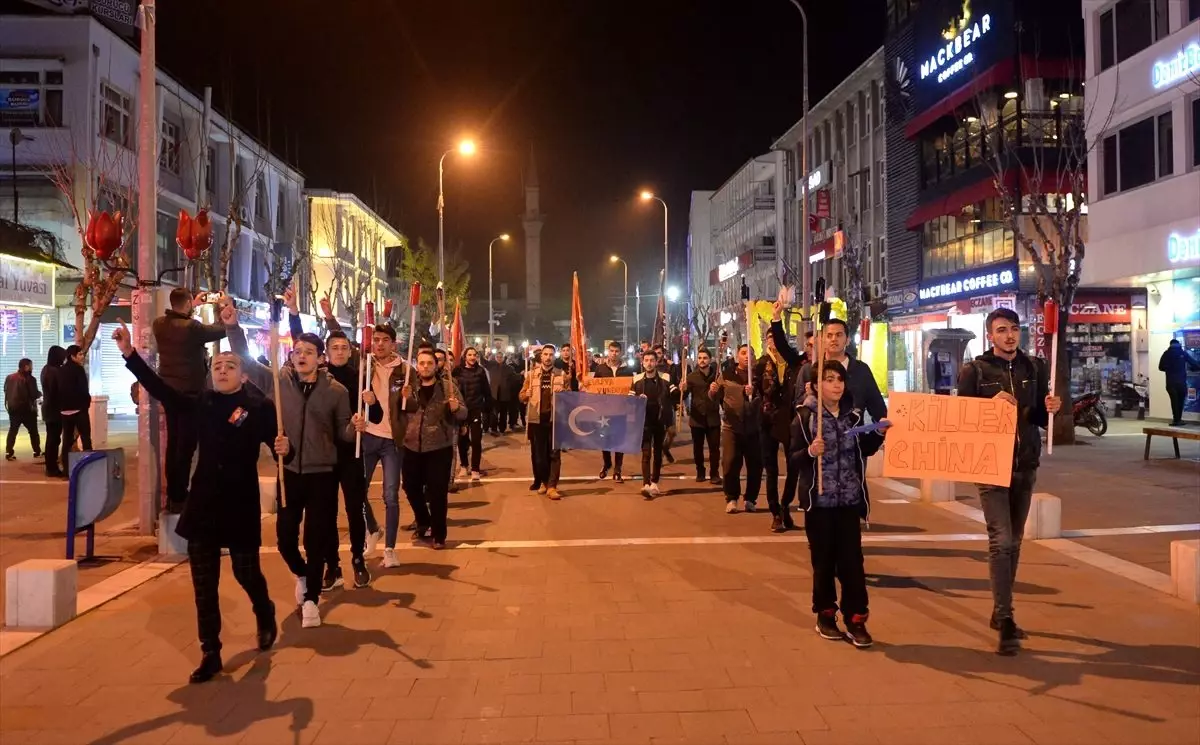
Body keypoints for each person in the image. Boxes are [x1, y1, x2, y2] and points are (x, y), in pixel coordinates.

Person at [113, 319, 278, 684]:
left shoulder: (258, 406)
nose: (222, 370)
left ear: (243, 375)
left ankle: (264, 612)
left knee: (246, 572)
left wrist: (286, 447)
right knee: (204, 583)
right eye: (217, 366)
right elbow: (160, 389)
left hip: (240, 502)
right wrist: (130, 354)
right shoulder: (201, 403)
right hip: (203, 504)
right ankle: (211, 651)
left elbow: (278, 446)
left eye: (230, 366)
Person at [223, 303, 361, 630]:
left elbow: (342, 432)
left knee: (316, 539)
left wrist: (354, 426)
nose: (301, 356)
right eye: (297, 351)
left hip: (323, 474)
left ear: (320, 358)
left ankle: (312, 597)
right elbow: (245, 360)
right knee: (285, 538)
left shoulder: (337, 392)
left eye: (309, 352)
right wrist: (232, 327)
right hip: (289, 473)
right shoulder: (277, 381)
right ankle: (301, 574)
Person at [958, 308, 1061, 656]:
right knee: (1001, 540)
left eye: (1014, 329)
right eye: (1001, 330)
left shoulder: (1034, 368)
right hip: (989, 467)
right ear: (990, 335)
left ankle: (1001, 609)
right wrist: (990, 404)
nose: (1009, 335)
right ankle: (1005, 617)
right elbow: (962, 418)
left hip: (1025, 463)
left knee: (1015, 542)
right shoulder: (975, 370)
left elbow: (1034, 416)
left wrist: (1051, 407)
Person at [790, 360, 887, 648]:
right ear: (816, 384)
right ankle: (826, 615)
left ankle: (856, 619)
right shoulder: (804, 417)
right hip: (818, 504)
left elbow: (864, 448)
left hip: (848, 502)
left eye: (839, 379)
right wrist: (809, 451)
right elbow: (794, 458)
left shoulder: (853, 417)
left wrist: (879, 435)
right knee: (823, 563)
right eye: (828, 379)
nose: (835, 384)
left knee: (852, 564)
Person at [153, 288, 229, 513]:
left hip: (168, 391)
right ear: (186, 303)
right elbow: (221, 331)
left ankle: (173, 495)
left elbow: (178, 317)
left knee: (174, 443)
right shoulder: (192, 328)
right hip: (190, 392)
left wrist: (192, 306)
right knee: (186, 447)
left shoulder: (159, 324)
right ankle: (179, 496)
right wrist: (222, 306)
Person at [393, 349, 468, 549]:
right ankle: (423, 520)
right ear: (417, 365)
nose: (425, 366)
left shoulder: (448, 387)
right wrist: (402, 397)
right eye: (422, 363)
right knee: (410, 486)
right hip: (411, 445)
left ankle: (439, 534)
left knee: (437, 491)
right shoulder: (409, 387)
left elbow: (463, 413)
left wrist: (455, 408)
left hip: (439, 446)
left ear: (436, 366)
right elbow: (397, 412)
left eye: (429, 363)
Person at [784, 318, 886, 424]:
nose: (834, 339)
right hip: (819, 436)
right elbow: (797, 407)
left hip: (853, 436)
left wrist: (881, 428)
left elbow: (878, 409)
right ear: (822, 340)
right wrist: (809, 395)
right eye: (829, 335)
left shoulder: (861, 370)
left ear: (847, 340)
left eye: (839, 335)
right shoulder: (810, 370)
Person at [756, 329, 801, 533]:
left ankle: (785, 505)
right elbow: (757, 390)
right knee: (771, 469)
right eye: (770, 338)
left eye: (776, 338)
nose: (773, 342)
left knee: (794, 466)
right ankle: (775, 512)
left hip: (789, 420)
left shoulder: (793, 363)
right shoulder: (759, 364)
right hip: (767, 421)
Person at [713, 344, 761, 514]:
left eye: (750, 353)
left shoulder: (759, 376)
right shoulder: (726, 375)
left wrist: (754, 392)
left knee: (755, 465)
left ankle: (750, 499)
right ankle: (732, 498)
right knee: (730, 462)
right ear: (736, 356)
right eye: (743, 353)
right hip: (731, 427)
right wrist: (712, 391)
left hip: (755, 427)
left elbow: (768, 394)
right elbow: (714, 396)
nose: (747, 356)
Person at [520, 344, 572, 499]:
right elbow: (521, 396)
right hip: (537, 420)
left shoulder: (561, 375)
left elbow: (571, 396)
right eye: (545, 354)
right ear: (541, 356)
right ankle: (543, 481)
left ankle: (552, 486)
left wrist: (563, 392)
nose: (548, 357)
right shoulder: (531, 375)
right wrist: (525, 394)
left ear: (554, 357)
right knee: (540, 456)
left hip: (555, 420)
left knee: (554, 454)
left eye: (551, 354)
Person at [632, 350, 675, 499]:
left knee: (657, 453)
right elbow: (630, 401)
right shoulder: (636, 379)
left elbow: (675, 396)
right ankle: (646, 483)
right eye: (646, 360)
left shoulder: (665, 378)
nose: (649, 363)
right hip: (644, 422)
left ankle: (655, 482)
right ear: (642, 362)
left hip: (660, 420)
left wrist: (682, 388)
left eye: (652, 360)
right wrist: (638, 399)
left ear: (656, 362)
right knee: (646, 453)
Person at [594, 341, 631, 482]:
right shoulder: (600, 369)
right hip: (605, 411)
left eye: (616, 351)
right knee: (605, 439)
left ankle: (618, 469)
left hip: (621, 410)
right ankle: (607, 463)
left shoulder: (627, 370)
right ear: (607, 352)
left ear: (620, 352)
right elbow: (595, 387)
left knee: (619, 440)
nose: (614, 354)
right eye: (611, 351)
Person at [453, 347, 492, 480]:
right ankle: (464, 465)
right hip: (462, 410)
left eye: (474, 355)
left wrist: (488, 408)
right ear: (464, 356)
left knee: (476, 440)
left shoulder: (480, 371)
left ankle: (475, 468)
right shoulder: (457, 371)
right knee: (462, 439)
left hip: (476, 409)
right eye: (469, 355)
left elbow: (486, 390)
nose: (472, 357)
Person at [684, 347, 721, 484]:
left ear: (710, 360)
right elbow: (684, 395)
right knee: (697, 448)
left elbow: (721, 396)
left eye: (705, 358)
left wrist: (716, 391)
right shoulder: (691, 377)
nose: (702, 360)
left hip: (713, 418)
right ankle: (700, 471)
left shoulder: (717, 376)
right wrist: (682, 389)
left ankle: (714, 473)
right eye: (700, 358)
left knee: (714, 448)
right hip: (697, 418)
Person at [57, 345, 92, 475]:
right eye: (80, 354)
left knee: (67, 440)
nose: (82, 356)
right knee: (86, 438)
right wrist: (86, 403)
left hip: (65, 411)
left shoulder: (61, 370)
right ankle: (89, 467)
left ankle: (66, 469)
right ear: (72, 356)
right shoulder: (79, 370)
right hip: (79, 410)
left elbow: (58, 390)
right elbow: (83, 390)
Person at [5, 358, 42, 461]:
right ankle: (37, 451)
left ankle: (9, 452)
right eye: (31, 365)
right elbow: (34, 394)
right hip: (27, 410)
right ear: (26, 367)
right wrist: (40, 394)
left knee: (13, 431)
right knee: (33, 431)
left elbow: (6, 391)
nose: (32, 367)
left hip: (13, 409)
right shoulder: (30, 379)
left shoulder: (9, 377)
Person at [1159, 339, 1199, 426]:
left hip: (1170, 383)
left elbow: (1160, 367)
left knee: (1174, 401)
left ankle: (1176, 420)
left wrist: (1169, 369)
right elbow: (1195, 364)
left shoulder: (1166, 354)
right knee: (1180, 401)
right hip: (1181, 382)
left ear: (1170, 345)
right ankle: (1179, 420)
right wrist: (1192, 369)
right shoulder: (1183, 353)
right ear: (1179, 344)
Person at [39, 346, 66, 477]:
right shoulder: (56, 371)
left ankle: (51, 466)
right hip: (55, 409)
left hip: (48, 408)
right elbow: (58, 391)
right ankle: (52, 468)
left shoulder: (46, 369)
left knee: (52, 438)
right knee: (54, 440)